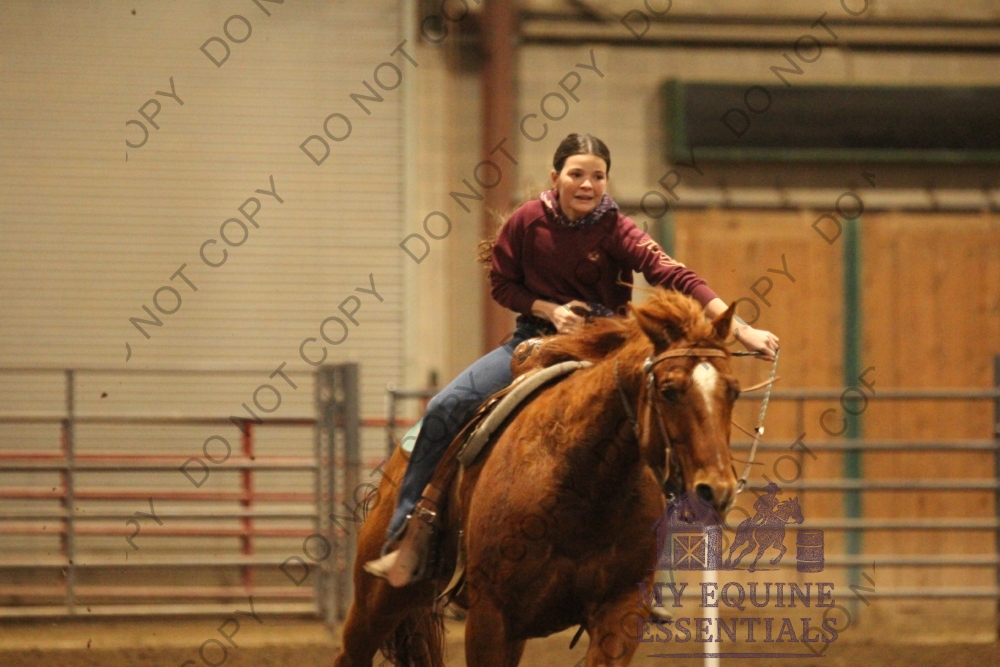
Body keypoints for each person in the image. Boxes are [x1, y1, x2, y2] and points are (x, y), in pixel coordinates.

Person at [365, 133, 780, 585]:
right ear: (556, 177)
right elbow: (503, 285)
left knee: (656, 429)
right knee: (446, 406)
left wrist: (741, 329)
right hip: (535, 341)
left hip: (606, 351)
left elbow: (674, 274)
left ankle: (646, 571)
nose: (587, 184)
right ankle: (408, 530)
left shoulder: (618, 229)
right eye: (577, 174)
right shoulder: (526, 222)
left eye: (598, 176)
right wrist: (550, 310)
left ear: (606, 182)